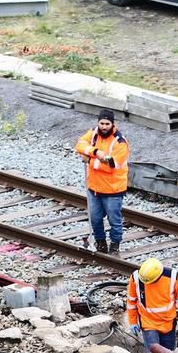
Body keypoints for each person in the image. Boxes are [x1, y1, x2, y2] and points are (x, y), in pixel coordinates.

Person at [75, 109, 129, 254]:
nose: (104, 126)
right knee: (95, 218)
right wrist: (96, 152)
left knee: (114, 220)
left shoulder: (120, 142)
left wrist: (89, 159)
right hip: (95, 188)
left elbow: (112, 166)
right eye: (102, 123)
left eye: (107, 123)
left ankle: (115, 245)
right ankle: (100, 243)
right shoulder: (93, 133)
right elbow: (79, 145)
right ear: (98, 122)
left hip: (113, 190)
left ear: (113, 124)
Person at [126, 257, 178, 350]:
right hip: (148, 323)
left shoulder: (172, 277)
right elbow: (131, 301)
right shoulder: (136, 278)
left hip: (168, 322)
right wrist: (132, 321)